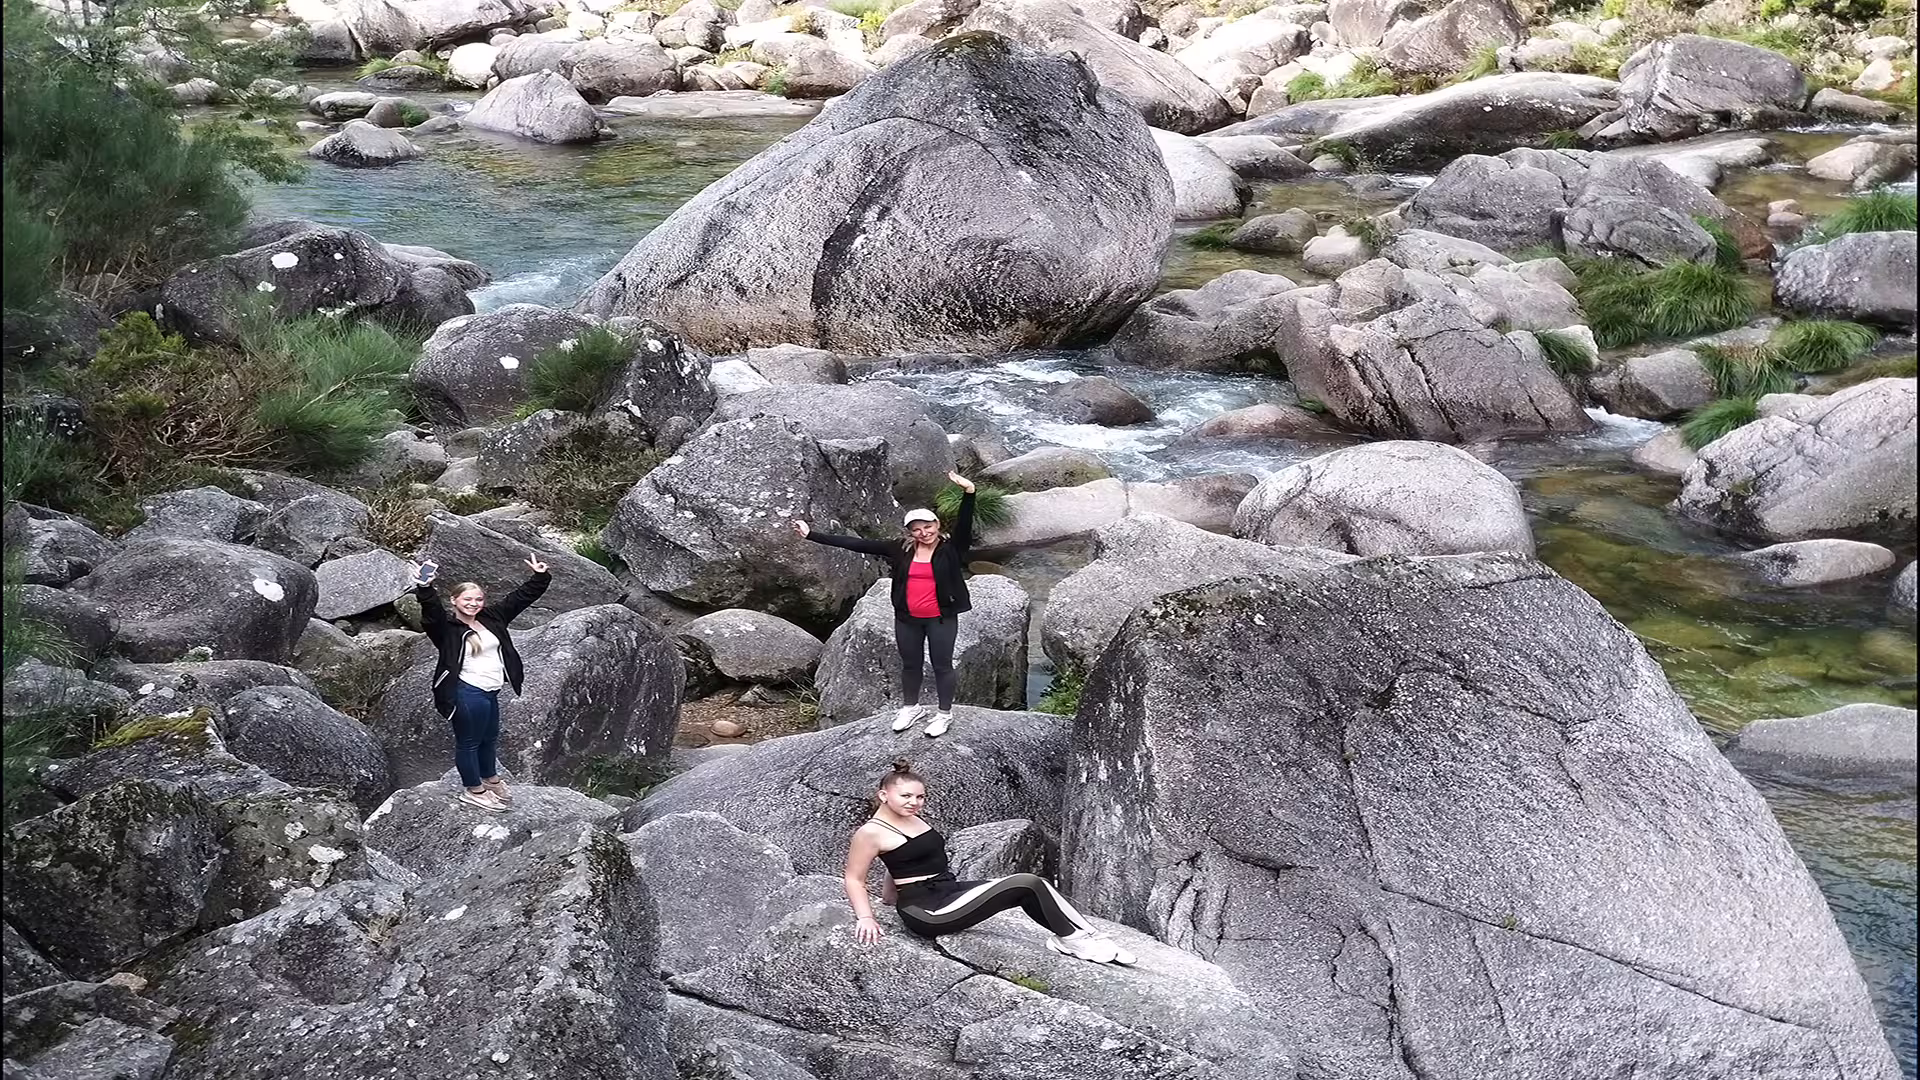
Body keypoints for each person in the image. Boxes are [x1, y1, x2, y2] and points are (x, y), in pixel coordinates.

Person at [842, 761, 1134, 964]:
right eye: (906, 796)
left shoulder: (913, 820)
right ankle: (1074, 938)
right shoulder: (870, 833)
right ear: (884, 795)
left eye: (920, 796)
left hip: (948, 890)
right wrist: (866, 917)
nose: (915, 802)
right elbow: (854, 878)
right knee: (1026, 881)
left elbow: (901, 863)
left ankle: (1081, 936)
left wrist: (889, 898)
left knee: (1036, 885)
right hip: (927, 911)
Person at [792, 471, 977, 737]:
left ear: (937, 524)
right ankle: (911, 708)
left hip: (941, 617)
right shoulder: (899, 549)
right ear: (910, 532)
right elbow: (856, 544)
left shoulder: (952, 548)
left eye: (928, 526)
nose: (924, 533)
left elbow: (965, 524)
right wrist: (812, 535)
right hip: (907, 618)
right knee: (910, 664)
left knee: (942, 665)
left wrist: (969, 493)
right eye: (917, 529)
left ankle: (944, 714)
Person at [410, 554, 551, 814]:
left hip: (490, 692)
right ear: (454, 601)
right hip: (466, 692)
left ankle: (491, 780)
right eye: (467, 599)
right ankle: (474, 790)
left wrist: (540, 576)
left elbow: (520, 598)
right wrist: (425, 588)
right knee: (469, 742)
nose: (474, 604)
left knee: (489, 739)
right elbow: (431, 613)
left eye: (478, 599)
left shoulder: (491, 617)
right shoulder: (446, 629)